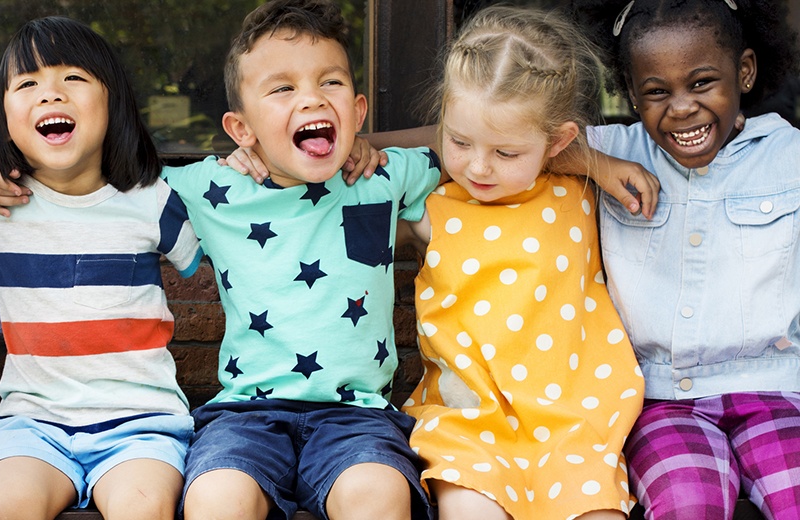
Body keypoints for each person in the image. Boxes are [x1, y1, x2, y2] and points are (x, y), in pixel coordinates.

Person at [161, 1, 443, 519]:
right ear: (240, 127)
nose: (311, 98)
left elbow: (468, 139)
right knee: (216, 497)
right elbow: (109, 178)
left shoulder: (380, 176)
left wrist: (371, 143)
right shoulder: (214, 185)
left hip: (356, 416)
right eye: (283, 88)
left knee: (378, 494)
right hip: (245, 414)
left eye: (329, 83)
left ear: (357, 110)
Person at [376, 6, 644, 519]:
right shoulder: (431, 209)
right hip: (469, 425)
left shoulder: (583, 192)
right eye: (459, 142)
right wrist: (354, 149)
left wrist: (596, 163)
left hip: (576, 428)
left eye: (505, 152)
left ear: (559, 142)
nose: (478, 166)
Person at [0, 16, 202, 520]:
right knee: (6, 503)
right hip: (31, 423)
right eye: (27, 84)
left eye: (73, 78)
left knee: (141, 508)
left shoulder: (154, 200)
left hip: (141, 422)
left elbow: (239, 219)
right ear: (3, 116)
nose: (51, 96)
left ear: (112, 100)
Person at [570, 0, 800, 517]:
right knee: (685, 502)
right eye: (656, 91)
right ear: (630, 93)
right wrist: (594, 162)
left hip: (781, 391)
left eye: (701, 83)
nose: (680, 107)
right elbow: (500, 140)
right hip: (663, 400)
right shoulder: (615, 149)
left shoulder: (790, 156)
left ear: (743, 72)